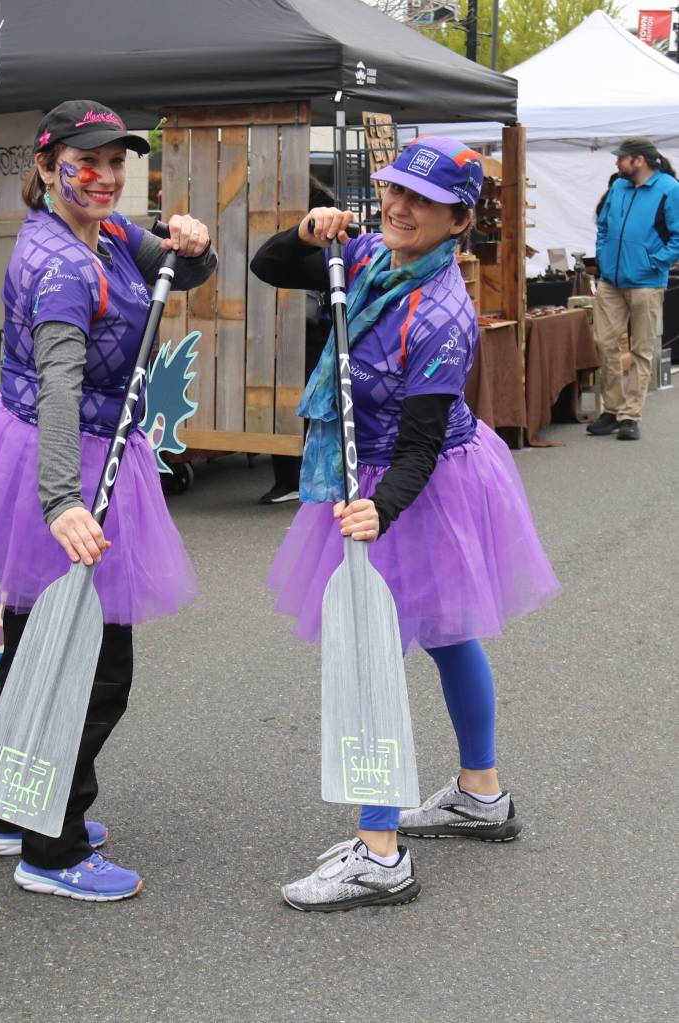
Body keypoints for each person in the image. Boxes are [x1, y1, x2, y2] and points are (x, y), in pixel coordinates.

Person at [250, 136, 560, 912]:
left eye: (419, 201)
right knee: (449, 631)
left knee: (370, 654)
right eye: (393, 190)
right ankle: (478, 794)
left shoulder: (443, 316)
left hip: (415, 478)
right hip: (380, 466)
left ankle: (380, 850)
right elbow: (270, 266)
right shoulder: (368, 256)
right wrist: (307, 232)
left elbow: (419, 444)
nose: (397, 206)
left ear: (458, 219)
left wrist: (377, 512)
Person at [0, 100, 216, 902]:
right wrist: (62, 500)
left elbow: (178, 274)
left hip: (65, 450)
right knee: (93, 666)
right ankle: (52, 848)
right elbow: (59, 385)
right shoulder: (61, 265)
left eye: (118, 161)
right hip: (61, 460)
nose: (109, 176)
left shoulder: (108, 231)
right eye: (89, 162)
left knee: (33, 640)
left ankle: (12, 807)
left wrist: (194, 244)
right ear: (47, 167)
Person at [587, 137, 679, 441]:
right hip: (612, 279)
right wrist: (602, 256)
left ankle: (630, 415)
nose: (617, 161)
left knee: (642, 348)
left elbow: (677, 237)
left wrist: (655, 262)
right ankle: (612, 409)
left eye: (621, 158)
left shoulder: (669, 188)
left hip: (647, 282)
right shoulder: (618, 187)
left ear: (639, 160)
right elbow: (603, 225)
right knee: (604, 341)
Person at [259, 177, 335, 505]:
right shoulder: (313, 228)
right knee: (297, 403)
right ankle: (290, 478)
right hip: (298, 329)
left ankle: (293, 478)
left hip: (311, 329)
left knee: (304, 403)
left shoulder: (342, 239)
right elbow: (265, 263)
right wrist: (302, 235)